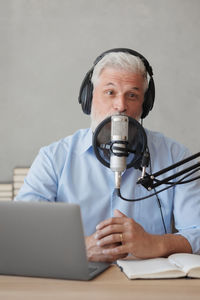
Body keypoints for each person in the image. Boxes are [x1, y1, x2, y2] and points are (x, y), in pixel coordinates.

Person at [15, 48, 200, 262]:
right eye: (110, 92)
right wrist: (80, 249)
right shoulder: (54, 158)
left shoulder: (175, 156)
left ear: (144, 105)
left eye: (132, 95)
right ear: (89, 98)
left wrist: (155, 243)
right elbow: (22, 234)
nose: (121, 105)